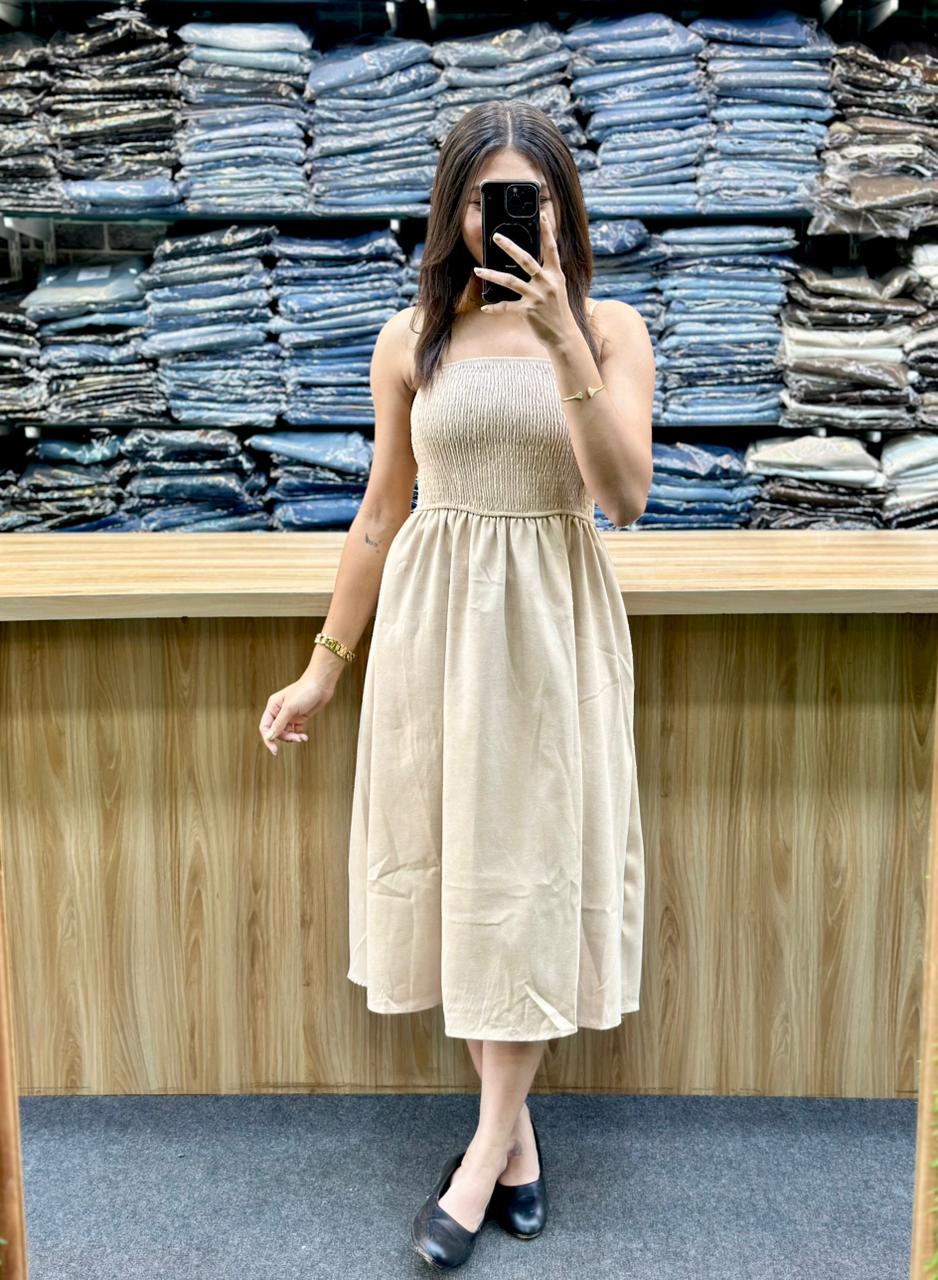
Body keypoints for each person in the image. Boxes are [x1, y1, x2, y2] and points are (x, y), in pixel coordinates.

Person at [259, 100, 655, 1271]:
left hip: (551, 633)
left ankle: (478, 1159)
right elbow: (379, 512)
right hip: (435, 633)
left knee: (527, 879)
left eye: (528, 197)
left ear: (563, 209)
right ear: (453, 212)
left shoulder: (610, 329)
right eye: (485, 199)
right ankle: (515, 1140)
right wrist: (322, 667)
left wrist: (562, 341)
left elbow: (623, 496)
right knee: (465, 882)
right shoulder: (410, 340)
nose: (506, 218)